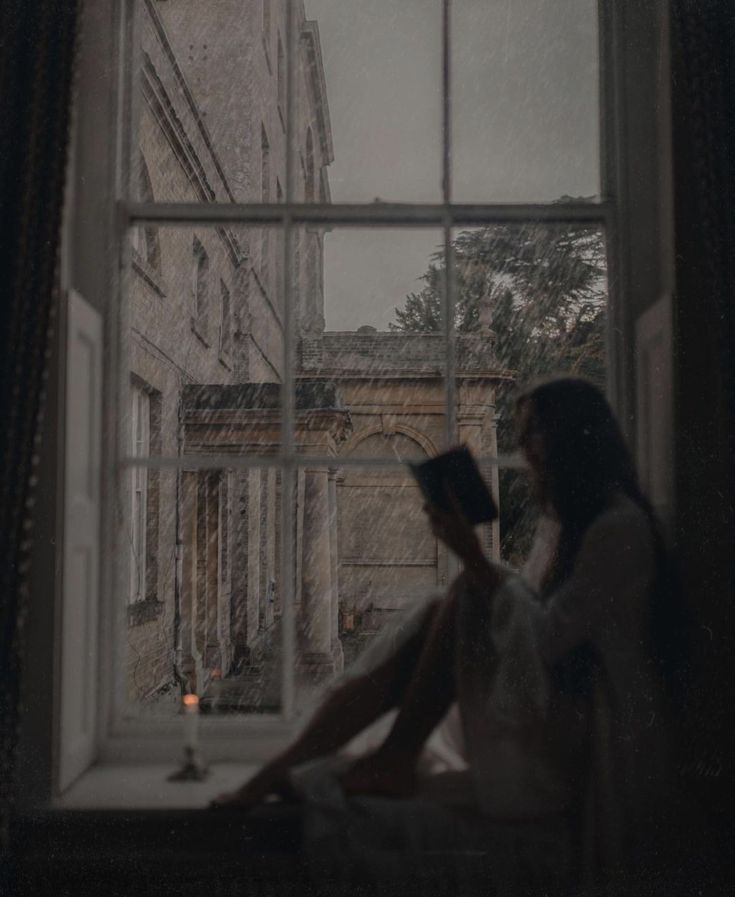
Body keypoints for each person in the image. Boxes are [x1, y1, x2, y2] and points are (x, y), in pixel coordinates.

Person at [213, 377, 689, 891]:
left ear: (573, 439)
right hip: (552, 696)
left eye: (534, 435)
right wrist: (481, 570)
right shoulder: (567, 522)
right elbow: (531, 620)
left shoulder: (618, 526)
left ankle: (369, 759)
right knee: (453, 598)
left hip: (587, 727)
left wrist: (475, 558)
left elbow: (547, 641)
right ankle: (346, 760)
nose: (523, 448)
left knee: (464, 591)